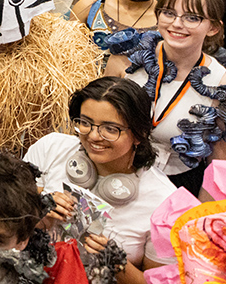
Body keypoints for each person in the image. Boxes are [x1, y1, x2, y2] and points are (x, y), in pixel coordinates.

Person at [25, 77, 176, 279]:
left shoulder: (165, 202)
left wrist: (116, 262)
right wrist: (36, 205)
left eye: (110, 129)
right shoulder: (50, 149)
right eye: (86, 123)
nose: (94, 136)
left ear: (139, 134)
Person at [106, 0, 226, 193]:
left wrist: (204, 213)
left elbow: (219, 155)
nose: (177, 24)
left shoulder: (219, 81)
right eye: (169, 13)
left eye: (192, 18)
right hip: (114, 172)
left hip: (177, 185)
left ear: (213, 27)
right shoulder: (127, 59)